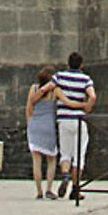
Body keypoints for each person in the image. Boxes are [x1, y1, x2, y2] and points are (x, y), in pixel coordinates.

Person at [53, 50, 95, 200]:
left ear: (68, 63)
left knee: (65, 153)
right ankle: (75, 189)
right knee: (79, 156)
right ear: (81, 65)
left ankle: (65, 175)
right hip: (78, 120)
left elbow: (49, 88)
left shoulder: (59, 76)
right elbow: (92, 96)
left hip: (63, 119)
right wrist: (86, 106)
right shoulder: (85, 79)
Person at [25, 65, 59, 198]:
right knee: (51, 159)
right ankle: (49, 189)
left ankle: (38, 191)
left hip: (34, 124)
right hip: (48, 125)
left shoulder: (33, 88)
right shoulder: (54, 91)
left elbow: (28, 108)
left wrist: (30, 124)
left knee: (36, 160)